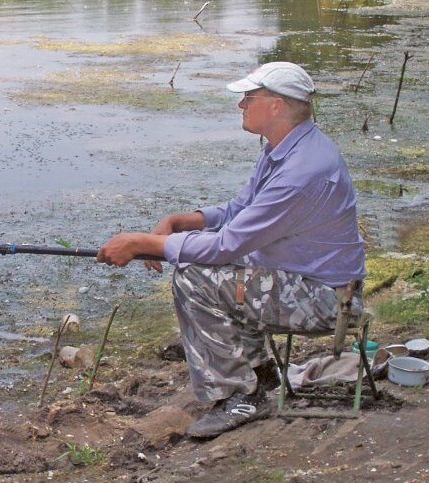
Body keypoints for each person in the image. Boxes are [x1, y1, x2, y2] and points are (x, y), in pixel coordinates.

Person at [96, 62, 365, 437]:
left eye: (248, 98)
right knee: (215, 269)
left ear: (275, 106)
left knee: (196, 279)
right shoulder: (284, 149)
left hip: (326, 299)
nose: (241, 104)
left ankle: (238, 397)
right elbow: (239, 212)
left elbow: (228, 244)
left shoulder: (302, 172)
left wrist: (144, 243)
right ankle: (262, 376)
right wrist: (180, 221)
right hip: (305, 279)